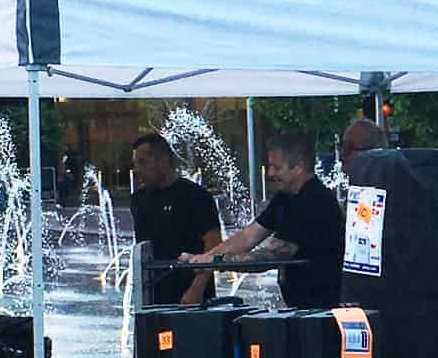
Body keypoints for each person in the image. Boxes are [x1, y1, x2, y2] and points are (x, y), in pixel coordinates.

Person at [191, 134, 344, 309]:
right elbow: (248, 236)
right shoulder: (285, 197)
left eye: (276, 167)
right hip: (300, 304)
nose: (270, 173)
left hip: (324, 307)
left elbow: (268, 257)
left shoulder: (315, 201)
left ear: (299, 167)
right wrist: (205, 257)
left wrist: (217, 261)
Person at [128, 132, 223, 306]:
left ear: (162, 161)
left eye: (142, 163)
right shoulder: (138, 200)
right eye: (135, 164)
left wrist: (197, 289)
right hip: (152, 295)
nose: (136, 170)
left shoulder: (196, 196)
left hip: (189, 296)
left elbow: (214, 246)